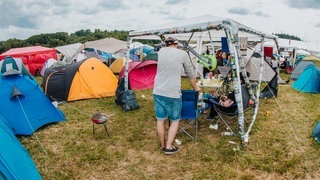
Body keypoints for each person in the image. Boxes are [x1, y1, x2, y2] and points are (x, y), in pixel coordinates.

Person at [153, 37, 200, 155]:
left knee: (160, 120)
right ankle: (168, 147)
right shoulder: (182, 54)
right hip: (173, 92)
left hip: (158, 90)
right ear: (176, 44)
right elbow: (190, 73)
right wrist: (196, 88)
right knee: (174, 120)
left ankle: (162, 144)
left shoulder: (161, 52)